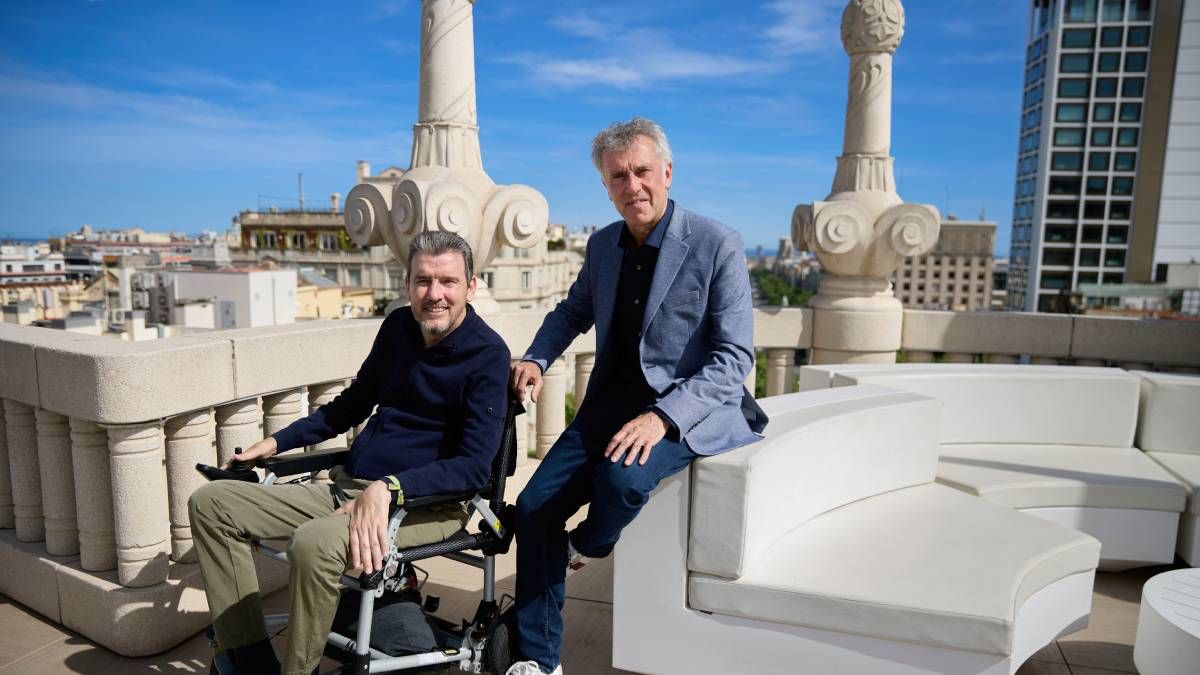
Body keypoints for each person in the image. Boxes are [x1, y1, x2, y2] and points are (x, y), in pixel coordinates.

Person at [505, 117, 768, 675]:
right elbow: (572, 312)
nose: (633, 186)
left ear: (667, 172)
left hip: (685, 408)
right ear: (606, 186)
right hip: (607, 404)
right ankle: (538, 661)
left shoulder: (717, 243)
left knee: (620, 482)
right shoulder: (603, 245)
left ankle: (588, 547)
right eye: (618, 177)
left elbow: (734, 359)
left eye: (642, 171)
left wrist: (663, 418)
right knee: (531, 510)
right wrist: (535, 356)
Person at [188, 230, 510, 675]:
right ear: (407, 284)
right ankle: (250, 658)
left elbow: (475, 467)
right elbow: (351, 405)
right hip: (348, 489)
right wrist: (278, 442)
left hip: (423, 506)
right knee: (211, 504)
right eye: (423, 281)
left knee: (313, 543)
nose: (434, 294)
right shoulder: (398, 327)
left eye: (448, 282)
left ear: (471, 287)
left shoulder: (487, 355)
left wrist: (390, 489)